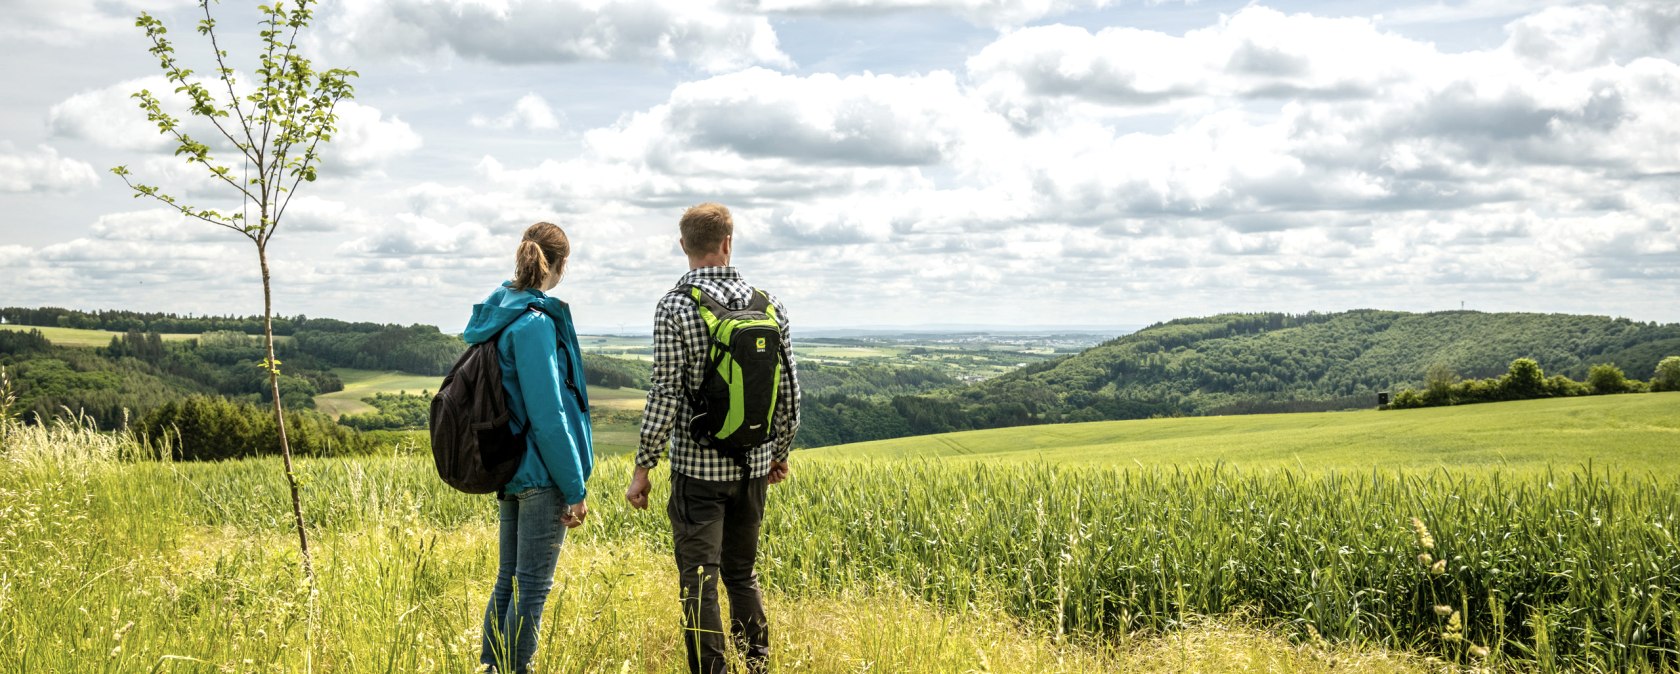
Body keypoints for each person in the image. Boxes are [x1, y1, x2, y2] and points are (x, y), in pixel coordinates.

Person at [625, 202, 801, 674]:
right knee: (743, 575)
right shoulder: (770, 305)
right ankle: (758, 666)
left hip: (697, 473)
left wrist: (643, 468)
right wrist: (777, 453)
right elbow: (790, 395)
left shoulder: (675, 307)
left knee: (700, 581)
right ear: (729, 242)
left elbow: (664, 393)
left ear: (683, 245)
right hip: (752, 471)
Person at [462, 222, 594, 674]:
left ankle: (490, 667)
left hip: (509, 467)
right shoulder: (534, 323)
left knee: (508, 584)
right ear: (556, 265)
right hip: (541, 475)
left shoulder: (499, 314)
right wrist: (575, 486)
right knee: (532, 589)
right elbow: (550, 416)